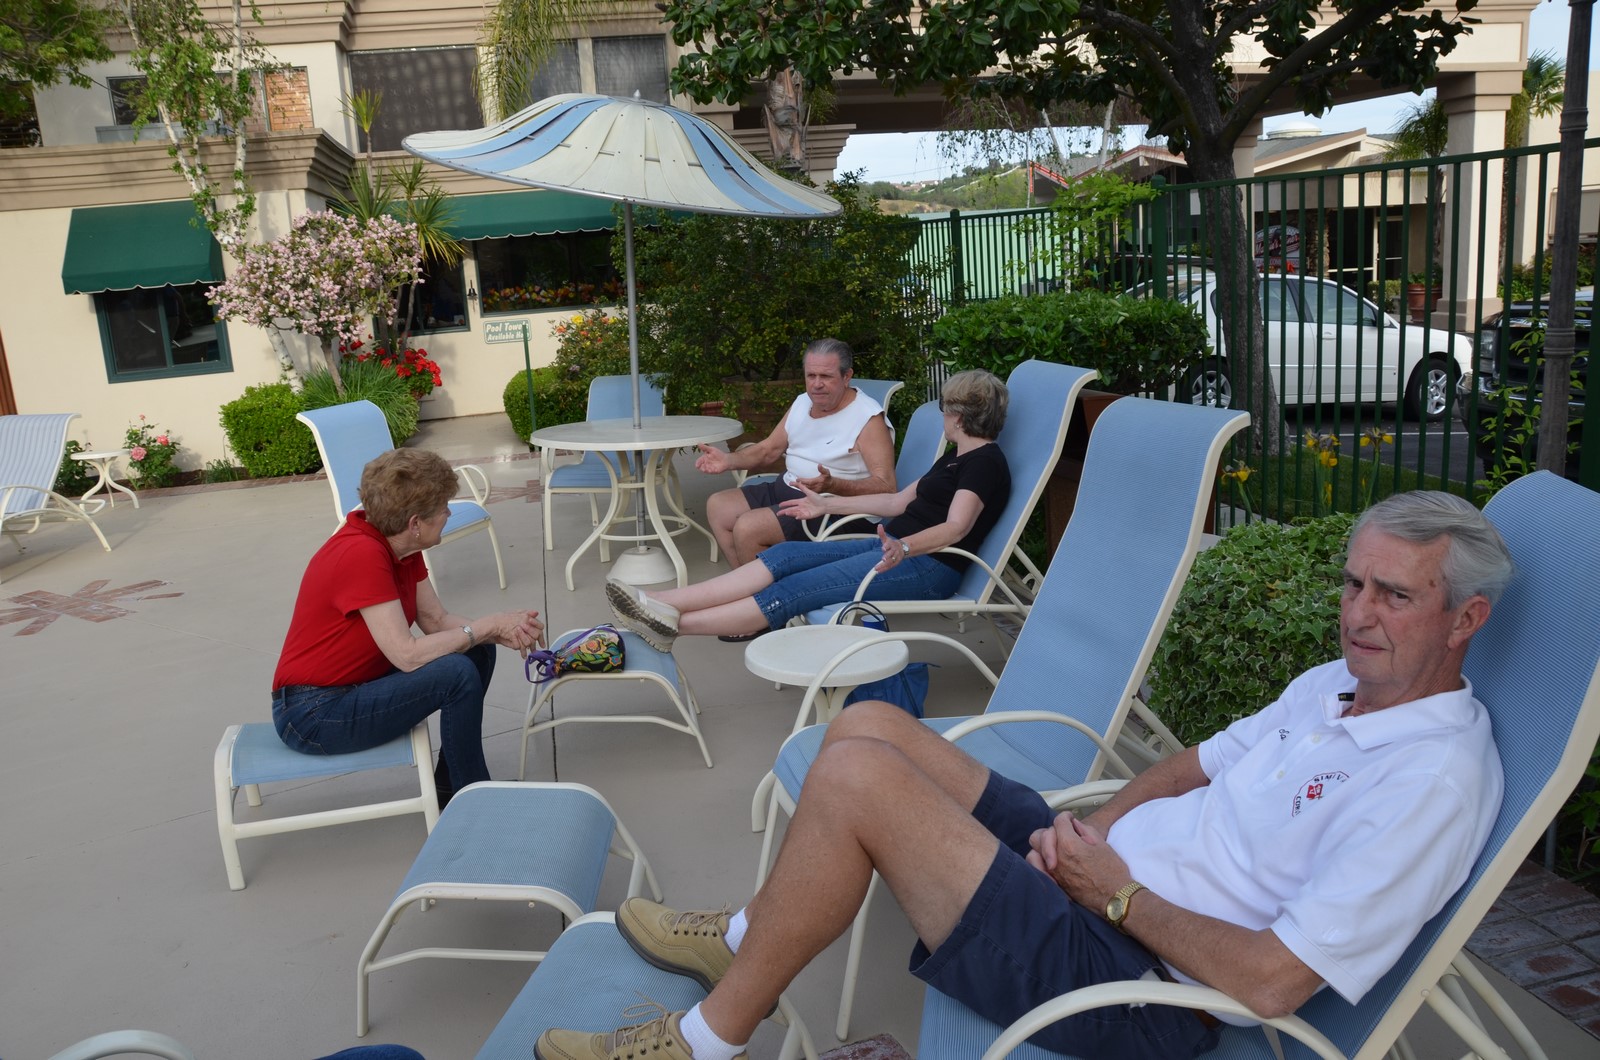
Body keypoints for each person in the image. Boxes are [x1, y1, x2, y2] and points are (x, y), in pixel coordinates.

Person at [535, 490, 1514, 1060]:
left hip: (1143, 988)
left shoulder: (1430, 783)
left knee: (859, 787)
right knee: (871, 721)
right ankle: (745, 933)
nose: (1356, 615)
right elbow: (1183, 766)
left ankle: (706, 1036)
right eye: (1352, 583)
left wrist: (1116, 895)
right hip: (1092, 884)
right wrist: (1092, 842)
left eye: (1392, 595)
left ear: (1463, 619)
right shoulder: (1330, 684)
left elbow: (1271, 980)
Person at [607, 369, 1009, 646]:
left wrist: (904, 548)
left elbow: (957, 527)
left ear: (956, 414)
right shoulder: (954, 458)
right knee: (785, 555)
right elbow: (895, 500)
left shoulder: (985, 463)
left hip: (927, 567)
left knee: (796, 589)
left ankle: (670, 625)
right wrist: (824, 505)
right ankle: (662, 602)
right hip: (893, 548)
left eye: (944, 409)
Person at [271, 448, 545, 806]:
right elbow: (407, 655)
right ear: (415, 523)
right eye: (444, 508)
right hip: (314, 712)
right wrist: (486, 625)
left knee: (476, 650)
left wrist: (502, 628)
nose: (448, 513)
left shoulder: (400, 546)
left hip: (357, 687)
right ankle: (475, 800)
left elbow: (436, 621)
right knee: (457, 671)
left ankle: (453, 784)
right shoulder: (361, 554)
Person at [695, 338, 897, 567]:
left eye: (826, 376)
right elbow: (769, 450)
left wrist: (834, 485)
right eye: (811, 376)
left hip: (834, 507)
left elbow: (887, 486)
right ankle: (743, 582)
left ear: (847, 376)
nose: (816, 384)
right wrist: (728, 460)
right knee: (719, 506)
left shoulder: (868, 418)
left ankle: (764, 598)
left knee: (748, 527)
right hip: (789, 488)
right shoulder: (803, 402)